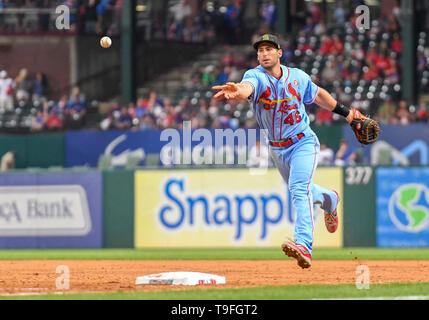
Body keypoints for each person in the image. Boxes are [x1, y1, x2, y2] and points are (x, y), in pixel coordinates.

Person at [212, 34, 362, 269]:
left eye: (269, 49)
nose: (264, 53)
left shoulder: (298, 77)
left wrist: (347, 113)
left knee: (298, 188)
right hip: (276, 147)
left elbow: (319, 94)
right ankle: (330, 199)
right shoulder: (255, 76)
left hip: (302, 142)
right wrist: (238, 91)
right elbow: (246, 88)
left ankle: (304, 244)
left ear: (279, 53)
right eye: (260, 50)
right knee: (302, 188)